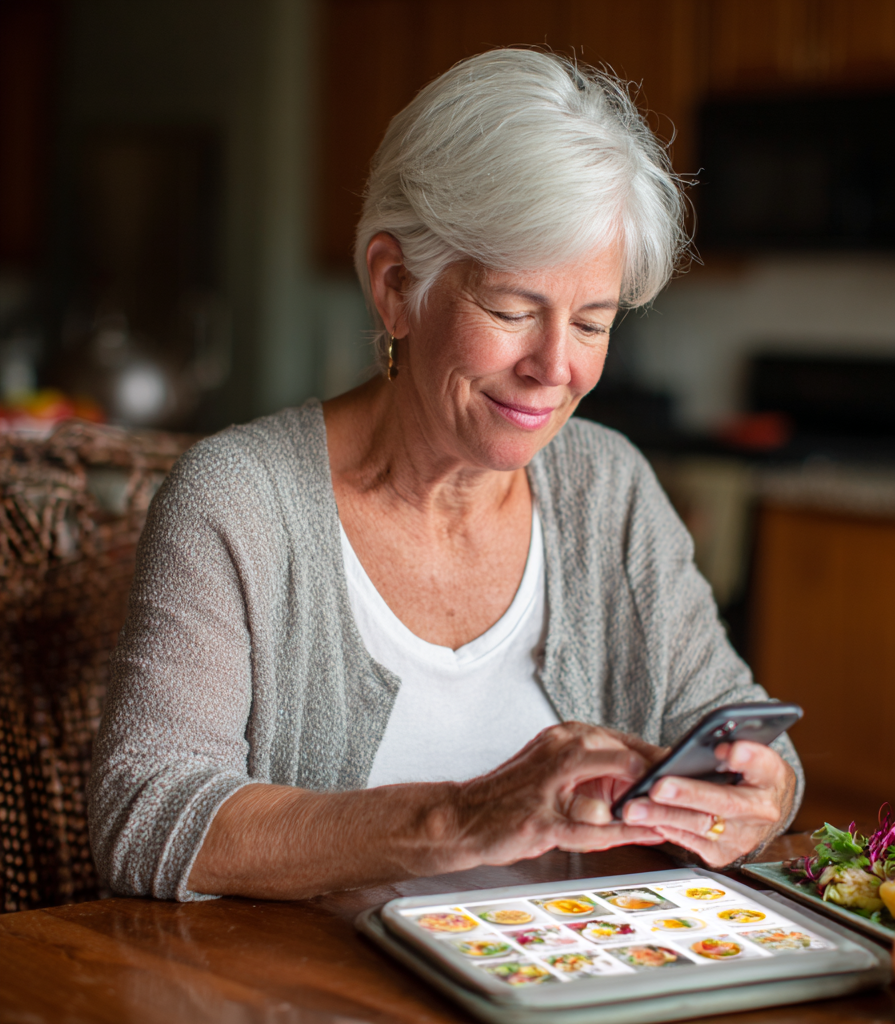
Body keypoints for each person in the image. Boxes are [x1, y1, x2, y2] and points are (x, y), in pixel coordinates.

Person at [88, 49, 803, 903]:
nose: (555, 367)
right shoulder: (239, 502)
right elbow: (143, 815)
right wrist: (456, 820)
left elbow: (750, 739)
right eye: (511, 311)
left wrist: (763, 793)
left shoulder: (608, 486)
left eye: (592, 323)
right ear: (396, 287)